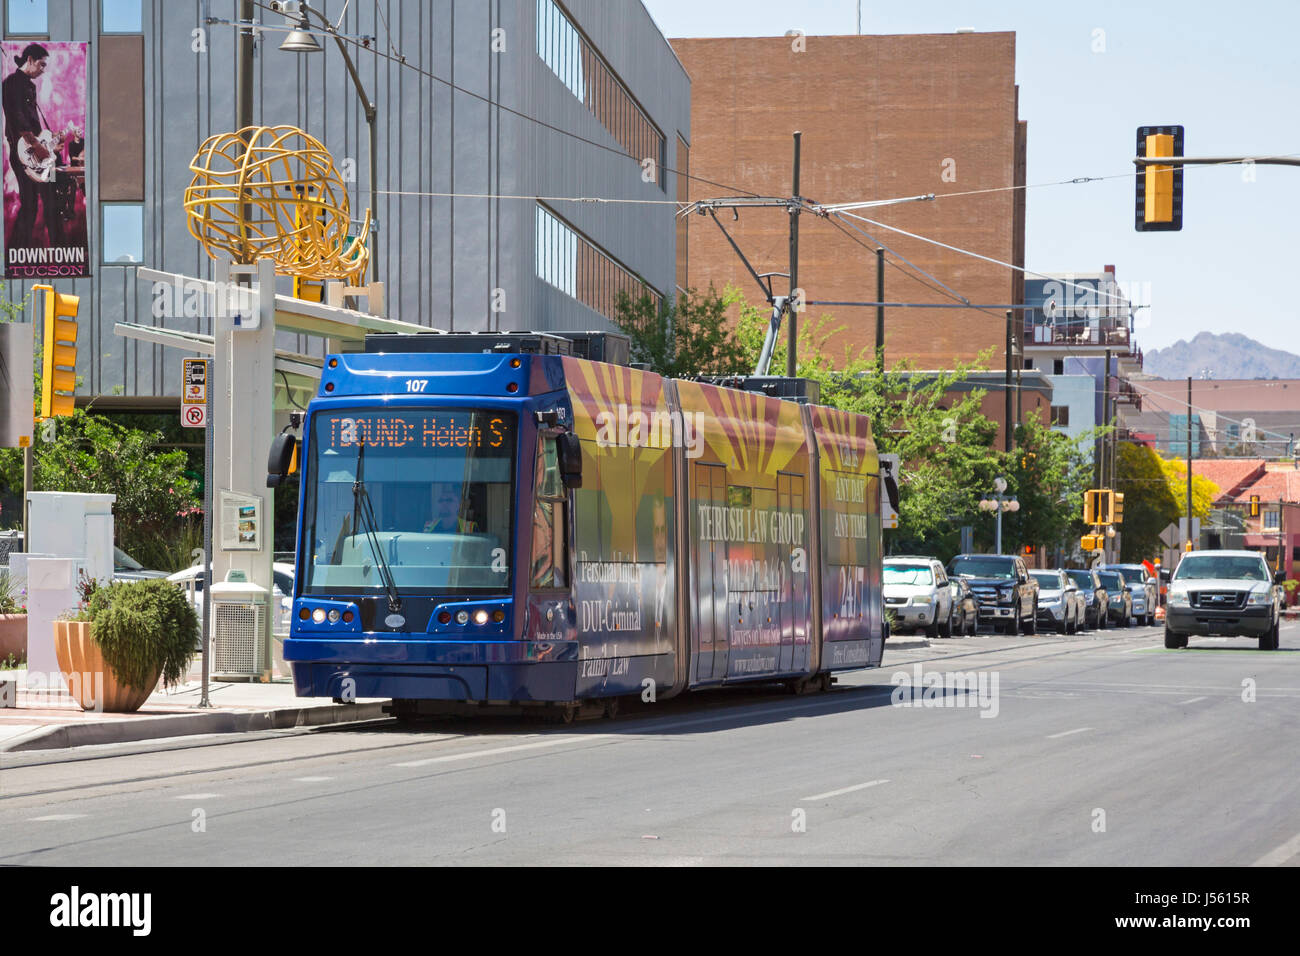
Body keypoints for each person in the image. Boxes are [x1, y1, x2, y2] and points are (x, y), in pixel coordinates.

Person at [3, 43, 51, 249]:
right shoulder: (12, 83)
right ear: (30, 59)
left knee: (36, 201)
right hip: (22, 150)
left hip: (32, 150)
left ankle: (20, 247)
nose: (43, 70)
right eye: (41, 65)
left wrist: (46, 142)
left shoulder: (29, 85)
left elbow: (32, 121)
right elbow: (17, 117)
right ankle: (17, 249)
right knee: (30, 203)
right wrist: (36, 144)